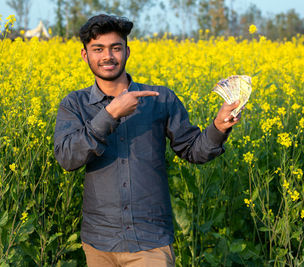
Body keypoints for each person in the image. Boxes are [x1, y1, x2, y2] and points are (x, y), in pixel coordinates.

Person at [54, 14, 241, 267]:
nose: (107, 56)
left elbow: (193, 151)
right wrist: (109, 115)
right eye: (98, 49)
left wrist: (218, 127)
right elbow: (67, 158)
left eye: (115, 48)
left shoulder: (160, 98)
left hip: (150, 241)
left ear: (127, 52)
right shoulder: (74, 104)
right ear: (85, 55)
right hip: (99, 243)